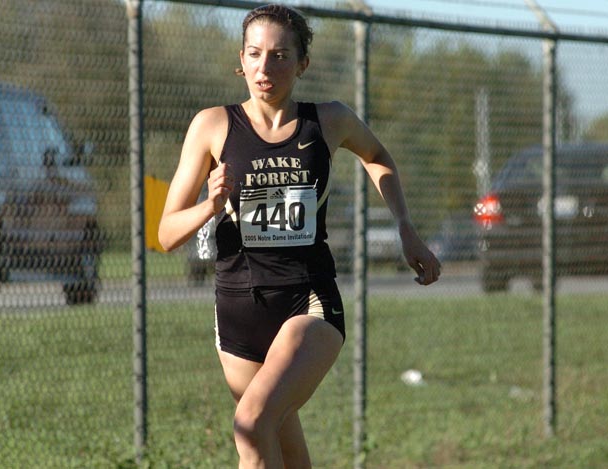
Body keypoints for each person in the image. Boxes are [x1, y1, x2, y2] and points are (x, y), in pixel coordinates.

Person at [158, 4, 441, 467]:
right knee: (285, 449)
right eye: (254, 54)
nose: (265, 67)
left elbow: (377, 155)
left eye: (279, 55)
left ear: (302, 63)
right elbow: (166, 235)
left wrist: (405, 227)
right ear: (241, 59)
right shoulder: (211, 125)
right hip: (237, 311)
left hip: (307, 301)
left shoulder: (328, 120)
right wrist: (209, 206)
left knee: (251, 423)